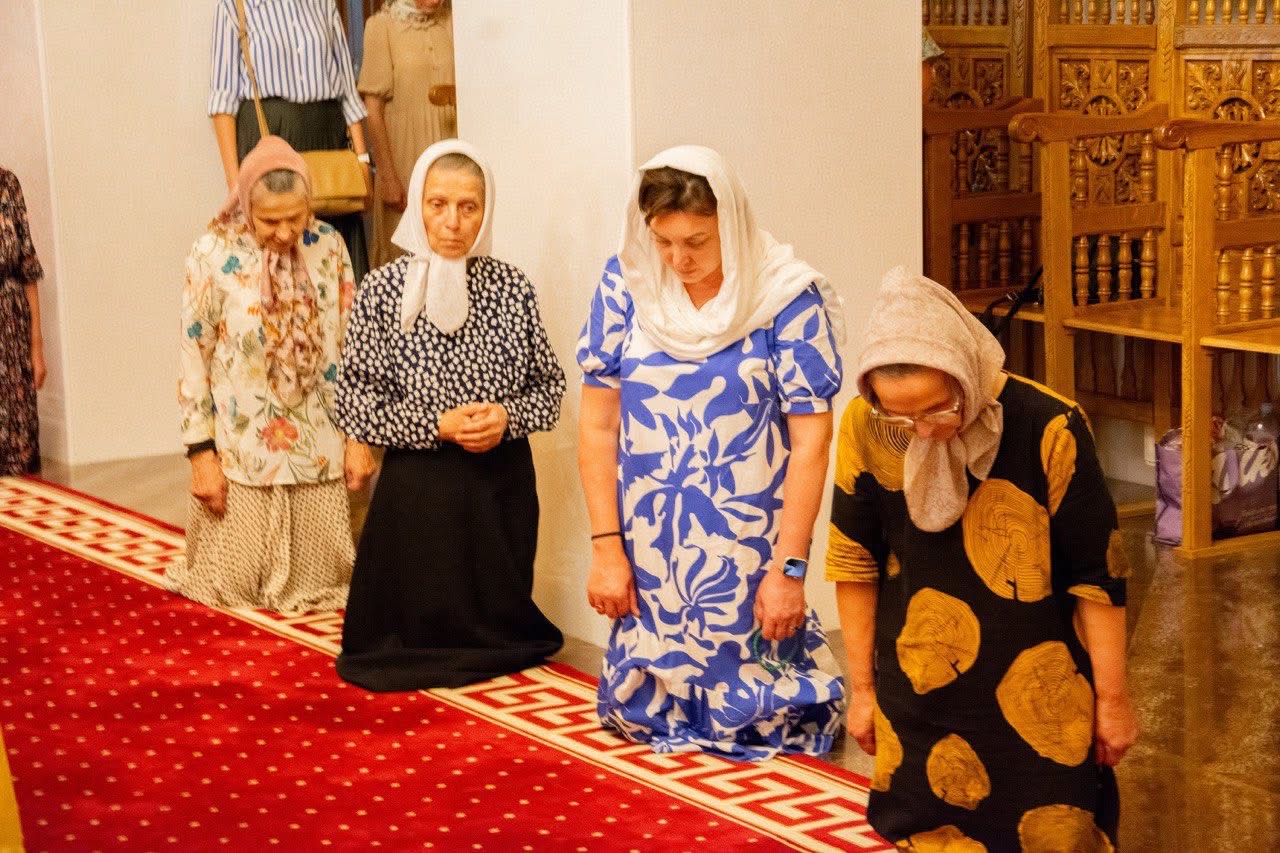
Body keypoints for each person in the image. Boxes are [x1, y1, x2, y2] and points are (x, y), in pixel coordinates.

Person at [827, 267, 1138, 849]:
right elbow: (854, 560)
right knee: (926, 830)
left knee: (1053, 832)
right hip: (919, 686)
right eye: (902, 418)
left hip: (1040, 693)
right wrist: (863, 689)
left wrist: (1113, 700)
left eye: (937, 410)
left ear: (965, 374)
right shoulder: (866, 425)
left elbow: (1099, 579)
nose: (922, 431)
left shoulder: (1049, 425)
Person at [577, 145, 848, 761]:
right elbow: (597, 426)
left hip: (750, 538)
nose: (678, 259)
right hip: (652, 536)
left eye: (697, 241)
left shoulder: (785, 296)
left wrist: (789, 570)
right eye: (664, 241)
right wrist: (606, 548)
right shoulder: (626, 283)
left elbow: (811, 443)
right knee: (640, 716)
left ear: (733, 222)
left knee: (769, 712)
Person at [335, 140, 565, 692]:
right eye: (437, 205)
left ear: (487, 211)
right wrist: (436, 425)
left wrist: (506, 418)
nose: (453, 222)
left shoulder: (511, 287)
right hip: (420, 484)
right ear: (417, 204)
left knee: (500, 621)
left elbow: (551, 390)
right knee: (396, 642)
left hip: (499, 481)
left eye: (469, 207)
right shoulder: (383, 290)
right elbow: (355, 402)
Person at [169, 136, 358, 615]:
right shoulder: (212, 252)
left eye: (296, 217)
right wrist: (200, 454)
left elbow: (352, 347)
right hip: (241, 448)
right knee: (231, 589)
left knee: (326, 591)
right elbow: (194, 356)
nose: (285, 232)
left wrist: (358, 439)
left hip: (317, 443)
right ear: (245, 204)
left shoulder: (329, 246)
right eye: (270, 221)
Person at [208, 0, 372, 285]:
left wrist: (362, 162)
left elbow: (348, 92)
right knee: (276, 243)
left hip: (327, 139)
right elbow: (223, 102)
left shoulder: (323, 4)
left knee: (333, 257)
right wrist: (235, 182)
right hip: (268, 137)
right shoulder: (235, 6)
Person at [359, 0, 457, 268]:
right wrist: (388, 176)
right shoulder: (381, 26)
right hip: (404, 158)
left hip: (451, 147)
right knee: (406, 259)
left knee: (452, 243)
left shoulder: (453, 20)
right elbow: (373, 111)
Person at [0, 168, 46, 476]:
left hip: (12, 333)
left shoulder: (7, 184)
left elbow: (28, 267)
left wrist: (36, 347)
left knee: (19, 454)